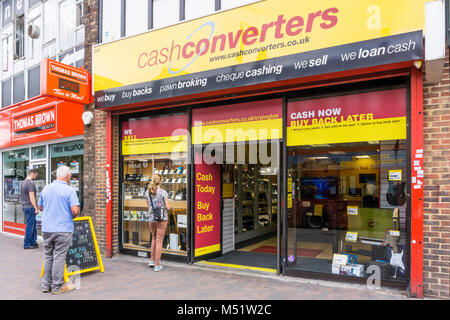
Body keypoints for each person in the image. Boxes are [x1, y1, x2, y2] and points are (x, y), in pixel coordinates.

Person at [39, 166, 80, 294]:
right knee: (59, 257)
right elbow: (75, 210)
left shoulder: (46, 188)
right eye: (70, 175)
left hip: (47, 228)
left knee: (48, 255)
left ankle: (46, 284)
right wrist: (74, 214)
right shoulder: (69, 190)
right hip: (63, 228)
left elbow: (40, 207)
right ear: (67, 176)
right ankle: (57, 286)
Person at [146, 176, 171, 272]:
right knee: (159, 240)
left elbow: (148, 206)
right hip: (161, 218)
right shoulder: (163, 193)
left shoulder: (147, 192)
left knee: (154, 238)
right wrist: (171, 208)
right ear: (160, 181)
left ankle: (152, 260)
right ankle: (157, 265)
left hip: (151, 218)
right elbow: (167, 206)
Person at [21, 169, 39, 249]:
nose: (36, 176)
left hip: (25, 206)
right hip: (30, 207)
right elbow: (32, 197)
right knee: (30, 226)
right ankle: (27, 244)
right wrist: (36, 208)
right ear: (33, 174)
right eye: (36, 174)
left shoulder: (23, 183)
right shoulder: (30, 184)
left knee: (32, 225)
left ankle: (33, 242)